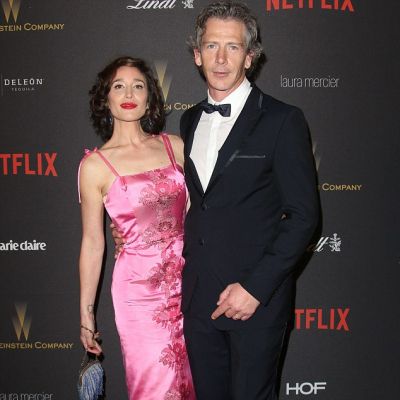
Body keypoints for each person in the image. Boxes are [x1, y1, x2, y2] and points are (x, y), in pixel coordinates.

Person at [179, 1, 319, 399]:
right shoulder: (189, 120)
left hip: (256, 301)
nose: (221, 58)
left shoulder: (282, 120)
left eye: (233, 47)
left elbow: (304, 217)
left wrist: (255, 289)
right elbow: (195, 205)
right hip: (199, 297)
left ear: (250, 57)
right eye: (211, 46)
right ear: (197, 54)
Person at [78, 56, 194, 400]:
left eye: (138, 86)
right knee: (155, 386)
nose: (129, 94)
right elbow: (93, 243)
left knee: (198, 381)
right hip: (139, 294)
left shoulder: (176, 146)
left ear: (149, 98)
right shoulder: (94, 166)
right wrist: (86, 314)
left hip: (191, 283)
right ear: (106, 98)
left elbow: (199, 213)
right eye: (119, 86)